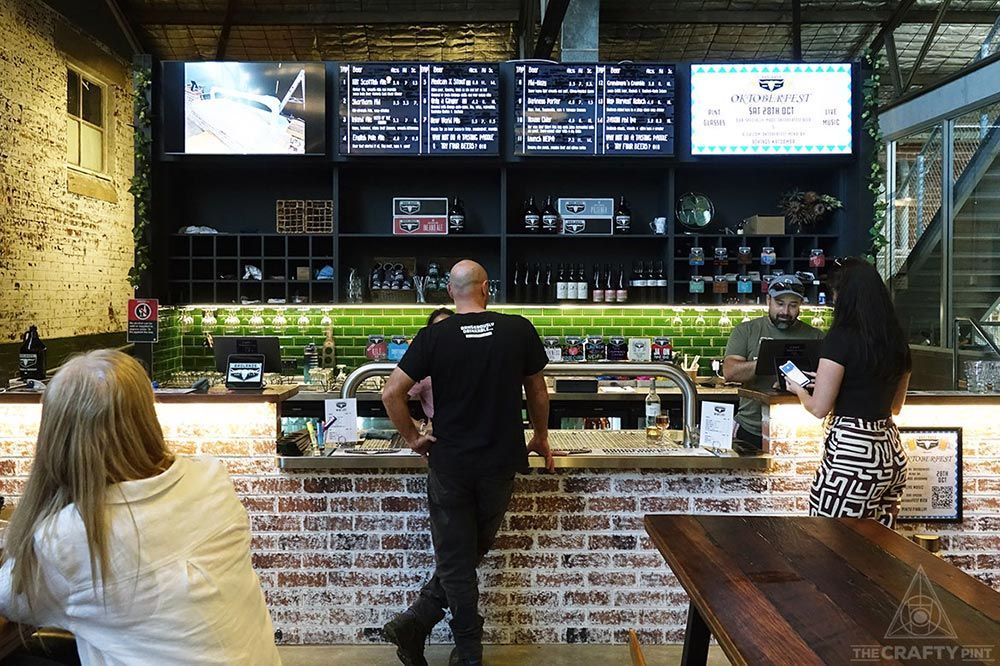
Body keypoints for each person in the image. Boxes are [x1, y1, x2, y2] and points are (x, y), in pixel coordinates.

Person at [0, 350, 281, 666]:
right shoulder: (211, 478)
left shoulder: (67, 538)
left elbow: (9, 599)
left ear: (57, 437)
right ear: (148, 416)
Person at [381, 260, 553, 666]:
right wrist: (541, 436)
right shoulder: (517, 328)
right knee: (466, 553)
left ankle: (422, 622)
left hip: (450, 463)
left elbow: (391, 393)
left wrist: (413, 439)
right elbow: (538, 392)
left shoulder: (435, 335)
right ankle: (466, 652)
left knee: (458, 556)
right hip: (500, 459)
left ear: (450, 292)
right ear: (486, 288)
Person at [785, 258, 911, 527]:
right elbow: (895, 406)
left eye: (835, 292)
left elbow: (818, 408)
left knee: (831, 542)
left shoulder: (840, 337)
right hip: (890, 454)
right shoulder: (897, 339)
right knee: (879, 547)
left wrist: (798, 388)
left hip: (852, 457)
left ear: (845, 295)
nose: (833, 298)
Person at [722, 274, 824, 449]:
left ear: (800, 305)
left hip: (798, 432)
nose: (785, 311)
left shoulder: (816, 336)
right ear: (768, 300)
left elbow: (826, 382)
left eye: (793, 305)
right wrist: (770, 360)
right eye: (780, 304)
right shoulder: (746, 331)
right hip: (750, 428)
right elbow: (730, 372)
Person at [407, 307, 454, 424]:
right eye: (437, 329)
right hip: (440, 429)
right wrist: (416, 431)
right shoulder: (425, 366)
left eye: (448, 328)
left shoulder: (466, 360)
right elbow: (393, 398)